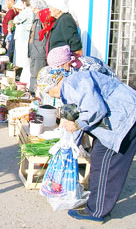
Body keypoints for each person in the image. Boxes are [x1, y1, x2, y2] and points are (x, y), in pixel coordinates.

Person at [37, 67, 136, 224]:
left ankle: (96, 211)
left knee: (105, 165)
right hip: (126, 116)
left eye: (48, 91)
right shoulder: (75, 81)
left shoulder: (71, 85)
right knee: (102, 158)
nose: (50, 95)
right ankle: (98, 204)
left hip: (123, 121)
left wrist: (77, 124)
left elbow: (95, 109)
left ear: (53, 85)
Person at [47, 45, 117, 78]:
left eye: (57, 67)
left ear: (66, 63)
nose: (56, 70)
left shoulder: (87, 68)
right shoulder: (71, 67)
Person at [28, 0, 49, 93]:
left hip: (39, 51)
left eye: (34, 8)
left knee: (37, 74)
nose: (32, 10)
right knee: (34, 73)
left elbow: (44, 37)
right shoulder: (37, 18)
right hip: (35, 50)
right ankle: (33, 92)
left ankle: (34, 94)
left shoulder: (42, 19)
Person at [13, 0, 34, 85]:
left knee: (25, 62)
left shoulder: (26, 11)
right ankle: (25, 82)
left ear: (24, 3)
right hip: (28, 38)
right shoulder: (32, 11)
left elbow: (16, 20)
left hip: (23, 39)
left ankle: (25, 83)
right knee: (27, 63)